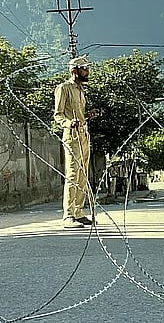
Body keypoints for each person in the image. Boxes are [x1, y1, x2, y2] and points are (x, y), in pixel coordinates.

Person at [54, 55, 96, 229]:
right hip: (71, 137)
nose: (87, 71)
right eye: (84, 68)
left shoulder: (80, 90)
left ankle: (79, 212)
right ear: (74, 70)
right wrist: (68, 123)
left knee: (82, 175)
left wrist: (87, 115)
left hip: (84, 135)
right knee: (72, 175)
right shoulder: (63, 88)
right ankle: (68, 215)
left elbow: (78, 114)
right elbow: (58, 114)